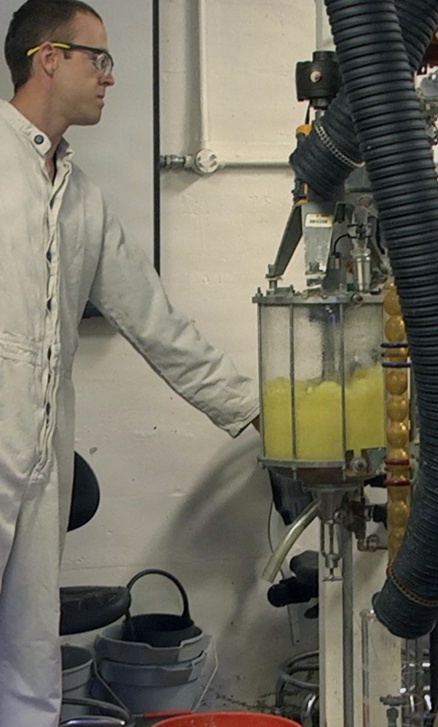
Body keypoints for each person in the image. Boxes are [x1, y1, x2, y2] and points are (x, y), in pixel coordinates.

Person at [0, 1, 259, 723]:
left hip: (41, 458)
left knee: (28, 661)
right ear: (47, 57)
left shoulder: (80, 198)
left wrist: (254, 406)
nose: (110, 78)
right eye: (98, 59)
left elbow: (155, 321)